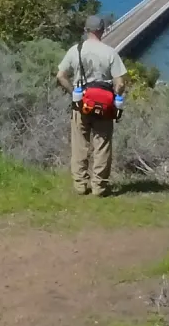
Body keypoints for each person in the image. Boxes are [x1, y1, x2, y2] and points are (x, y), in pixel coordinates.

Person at [55, 15, 128, 196]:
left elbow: (60, 75)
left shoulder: (75, 50)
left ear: (86, 30)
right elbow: (120, 83)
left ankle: (80, 185)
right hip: (104, 106)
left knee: (80, 144)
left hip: (82, 104)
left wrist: (74, 93)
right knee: (102, 144)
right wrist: (116, 98)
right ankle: (99, 187)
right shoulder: (110, 53)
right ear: (102, 30)